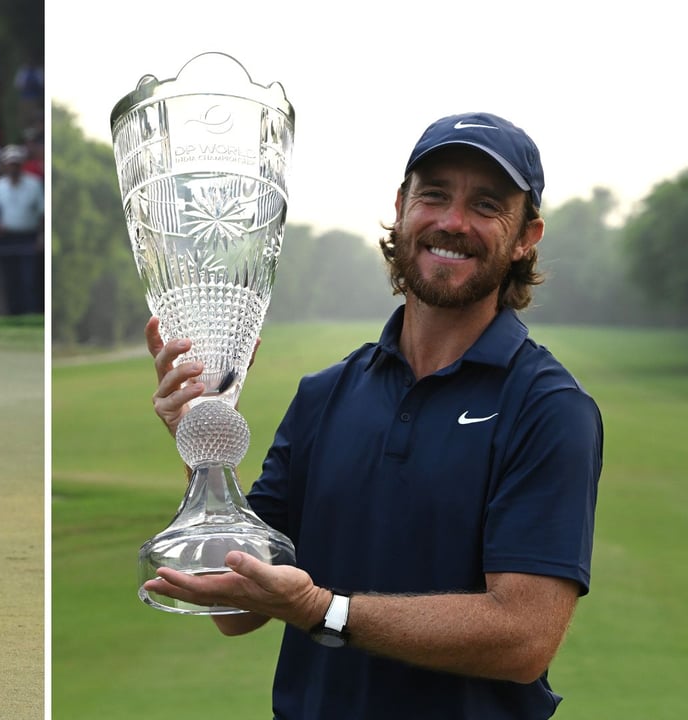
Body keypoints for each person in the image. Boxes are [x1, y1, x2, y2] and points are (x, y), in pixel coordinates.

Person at [143, 113, 603, 718]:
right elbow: (241, 610)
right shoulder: (324, 395)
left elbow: (521, 637)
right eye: (433, 194)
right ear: (402, 207)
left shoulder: (548, 408)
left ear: (525, 237)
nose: (452, 222)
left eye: (486, 205)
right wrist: (201, 452)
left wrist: (323, 610)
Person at [0, 144, 43, 316]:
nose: (13, 167)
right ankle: (14, 314)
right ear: (4, 165)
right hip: (7, 237)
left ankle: (31, 313)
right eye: (9, 163)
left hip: (28, 236)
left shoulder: (34, 184)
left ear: (21, 164)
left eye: (16, 163)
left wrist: (41, 236)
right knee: (10, 279)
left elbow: (42, 213)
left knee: (29, 279)